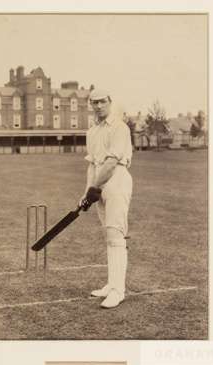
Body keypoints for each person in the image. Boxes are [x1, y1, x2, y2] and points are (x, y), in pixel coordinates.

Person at [80, 88, 133, 308]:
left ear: (110, 102)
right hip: (99, 183)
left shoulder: (120, 128)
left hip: (117, 180)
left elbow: (111, 163)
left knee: (115, 235)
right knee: (108, 236)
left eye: (102, 102)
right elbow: (93, 164)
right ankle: (111, 284)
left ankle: (118, 291)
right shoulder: (92, 131)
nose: (98, 106)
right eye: (94, 102)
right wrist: (86, 193)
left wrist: (95, 187)